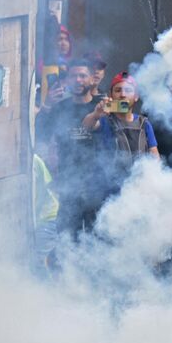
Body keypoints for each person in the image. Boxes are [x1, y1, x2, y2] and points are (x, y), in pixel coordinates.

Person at [35, 58, 101, 238]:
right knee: (67, 239)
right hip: (68, 185)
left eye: (83, 76)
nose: (78, 80)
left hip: (98, 186)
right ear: (68, 80)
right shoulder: (60, 108)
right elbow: (40, 133)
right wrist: (47, 104)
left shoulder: (102, 106)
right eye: (74, 76)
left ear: (92, 79)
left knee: (97, 241)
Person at [82, 72, 159, 194]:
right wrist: (96, 114)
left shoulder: (144, 123)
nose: (123, 95)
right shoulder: (104, 120)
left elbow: (154, 157)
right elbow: (87, 126)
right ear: (111, 95)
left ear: (136, 96)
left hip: (139, 190)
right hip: (108, 193)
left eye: (128, 90)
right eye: (118, 90)